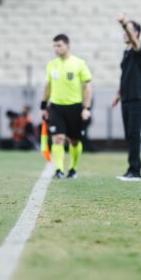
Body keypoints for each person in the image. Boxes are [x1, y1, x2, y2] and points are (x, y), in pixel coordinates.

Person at [41, 34, 92, 179]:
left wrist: (86, 108)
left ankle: (73, 168)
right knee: (57, 138)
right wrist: (43, 106)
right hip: (56, 107)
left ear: (67, 46)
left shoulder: (79, 63)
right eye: (54, 46)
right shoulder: (52, 65)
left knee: (74, 141)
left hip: (74, 107)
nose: (56, 48)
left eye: (59, 45)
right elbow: (47, 86)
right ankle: (59, 169)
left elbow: (87, 87)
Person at [112, 13, 141, 181]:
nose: (124, 33)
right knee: (129, 134)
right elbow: (125, 76)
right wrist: (117, 95)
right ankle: (132, 168)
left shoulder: (140, 49)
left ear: (136, 33)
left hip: (137, 97)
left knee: (134, 133)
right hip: (126, 97)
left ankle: (135, 171)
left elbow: (135, 42)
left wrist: (123, 23)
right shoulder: (125, 52)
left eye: (127, 30)